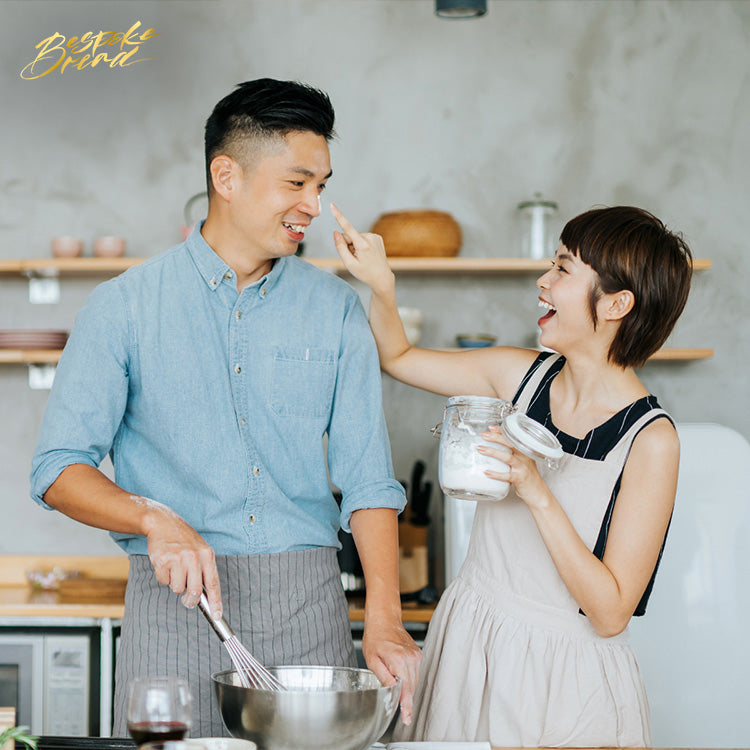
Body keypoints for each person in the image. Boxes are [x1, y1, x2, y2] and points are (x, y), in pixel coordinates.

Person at [30, 79, 420, 737]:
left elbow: (367, 480)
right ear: (226, 175)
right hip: (173, 610)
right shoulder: (122, 307)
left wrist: (384, 614)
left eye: (321, 186)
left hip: (308, 612)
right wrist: (152, 518)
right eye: (297, 184)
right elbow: (57, 469)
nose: (314, 206)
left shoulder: (336, 310)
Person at [331, 202, 693, 747]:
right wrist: (383, 286)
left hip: (565, 680)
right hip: (469, 645)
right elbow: (398, 356)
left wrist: (536, 491)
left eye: (564, 269)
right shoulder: (518, 376)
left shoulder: (650, 441)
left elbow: (611, 611)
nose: (543, 281)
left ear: (617, 302)